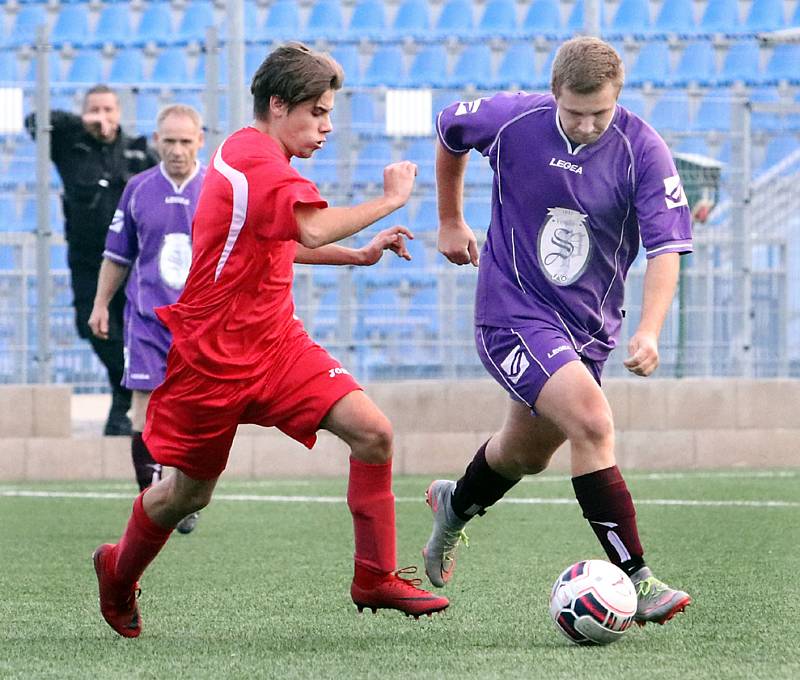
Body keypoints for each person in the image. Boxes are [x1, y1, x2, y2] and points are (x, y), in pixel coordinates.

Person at [92, 42, 449, 639]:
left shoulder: (257, 157)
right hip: (214, 359)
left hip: (277, 345)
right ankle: (117, 571)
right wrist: (390, 199)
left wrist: (356, 255)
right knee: (185, 496)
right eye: (319, 112)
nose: (327, 126)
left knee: (374, 433)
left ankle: (375, 575)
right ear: (279, 106)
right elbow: (307, 222)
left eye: (330, 113)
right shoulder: (255, 158)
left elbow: (284, 239)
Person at [423, 36, 692, 626]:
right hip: (511, 311)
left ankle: (454, 505)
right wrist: (449, 219)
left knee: (523, 455)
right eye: (575, 112)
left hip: (586, 330)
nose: (590, 124)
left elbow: (667, 246)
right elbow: (449, 130)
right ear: (553, 96)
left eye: (602, 112)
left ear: (617, 99)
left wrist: (649, 331)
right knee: (592, 423)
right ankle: (639, 579)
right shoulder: (514, 119)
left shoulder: (643, 149)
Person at [88, 104, 207, 535]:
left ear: (200, 140)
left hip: (201, 323)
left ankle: (187, 492)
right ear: (157, 141)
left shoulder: (216, 188)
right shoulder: (138, 189)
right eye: (169, 141)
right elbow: (118, 254)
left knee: (197, 412)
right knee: (144, 406)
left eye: (185, 141)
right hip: (147, 319)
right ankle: (149, 501)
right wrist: (101, 303)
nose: (176, 150)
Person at [26, 86, 159, 435]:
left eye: (109, 109)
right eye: (95, 109)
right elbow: (34, 122)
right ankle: (126, 389)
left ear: (120, 112)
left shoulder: (137, 152)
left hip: (133, 262)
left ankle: (122, 411)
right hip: (87, 261)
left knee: (131, 332)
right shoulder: (71, 146)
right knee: (94, 329)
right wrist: (82, 123)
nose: (103, 116)